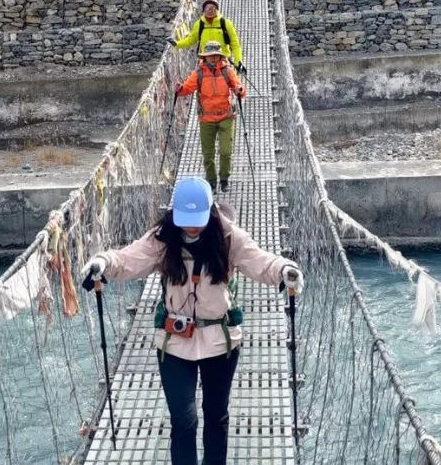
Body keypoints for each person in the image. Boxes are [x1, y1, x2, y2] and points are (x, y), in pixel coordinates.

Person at [81, 178, 304, 465]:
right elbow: (128, 258)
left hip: (219, 343)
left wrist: (284, 269)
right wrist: (103, 263)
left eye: (197, 220)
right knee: (183, 422)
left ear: (210, 211)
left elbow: (259, 260)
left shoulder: (228, 237)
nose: (192, 227)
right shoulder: (163, 239)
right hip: (175, 345)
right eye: (185, 220)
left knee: (216, 417)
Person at [177, 41, 245, 193]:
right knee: (208, 153)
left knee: (226, 151)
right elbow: (186, 89)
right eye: (210, 56)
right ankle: (212, 182)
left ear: (220, 56)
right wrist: (179, 89)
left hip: (226, 116)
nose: (213, 59)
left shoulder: (227, 71)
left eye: (216, 56)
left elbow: (238, 87)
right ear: (205, 58)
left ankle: (224, 179)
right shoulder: (199, 73)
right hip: (206, 119)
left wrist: (240, 90)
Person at [172, 0, 244, 71]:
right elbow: (190, 40)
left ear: (217, 10)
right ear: (203, 10)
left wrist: (238, 61)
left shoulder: (226, 24)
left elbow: (235, 44)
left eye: (212, 8)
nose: (210, 10)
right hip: (206, 62)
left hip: (223, 62)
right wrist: (177, 44)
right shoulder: (199, 24)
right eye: (207, 8)